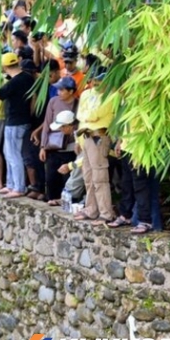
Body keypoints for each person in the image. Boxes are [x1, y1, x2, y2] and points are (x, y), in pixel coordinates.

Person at [0, 52, 35, 198]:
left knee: (13, 155)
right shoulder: (28, 78)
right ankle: (11, 184)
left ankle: (18, 187)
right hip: (24, 119)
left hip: (14, 122)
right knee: (8, 153)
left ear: (5, 67)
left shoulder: (13, 83)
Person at [74, 66, 116, 224]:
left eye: (100, 81)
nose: (96, 83)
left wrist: (87, 117)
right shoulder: (86, 93)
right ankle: (91, 208)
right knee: (88, 176)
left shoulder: (111, 95)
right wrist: (79, 140)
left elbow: (93, 115)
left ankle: (106, 213)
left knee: (100, 178)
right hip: (85, 136)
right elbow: (80, 115)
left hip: (99, 136)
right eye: (95, 80)